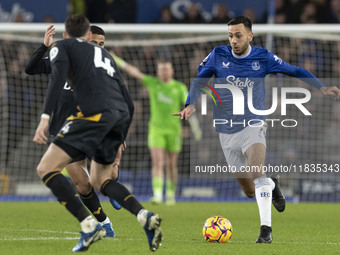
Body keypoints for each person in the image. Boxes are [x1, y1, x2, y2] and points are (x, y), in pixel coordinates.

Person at [174, 16, 340, 243]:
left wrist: (320, 87)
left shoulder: (263, 57)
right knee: (250, 190)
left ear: (250, 35)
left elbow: (295, 70)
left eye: (238, 35)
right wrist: (190, 103)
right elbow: (199, 80)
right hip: (226, 130)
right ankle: (272, 183)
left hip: (254, 123)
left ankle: (266, 231)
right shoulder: (217, 54)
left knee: (255, 169)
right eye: (230, 35)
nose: (234, 40)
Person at [34, 14, 162, 252]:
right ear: (87, 35)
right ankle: (144, 215)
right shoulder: (104, 55)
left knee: (46, 168)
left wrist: (45, 118)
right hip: (119, 115)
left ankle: (89, 225)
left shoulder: (62, 46)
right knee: (99, 180)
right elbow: (127, 99)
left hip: (92, 116)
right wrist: (120, 134)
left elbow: (56, 81)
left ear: (66, 35)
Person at [26, 24, 120, 238]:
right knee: (83, 184)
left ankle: (112, 185)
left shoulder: (104, 66)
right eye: (94, 42)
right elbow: (30, 68)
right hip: (66, 132)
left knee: (108, 175)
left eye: (102, 44)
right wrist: (44, 47)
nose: (98, 47)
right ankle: (104, 222)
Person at [112, 55, 201, 205]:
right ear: (158, 71)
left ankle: (171, 194)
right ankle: (158, 194)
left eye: (166, 69)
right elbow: (134, 72)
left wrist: (195, 126)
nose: (164, 72)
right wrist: (116, 59)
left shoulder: (179, 87)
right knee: (158, 162)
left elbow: (189, 107)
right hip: (156, 129)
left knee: (172, 163)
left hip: (174, 130)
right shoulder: (153, 83)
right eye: (161, 70)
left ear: (172, 71)